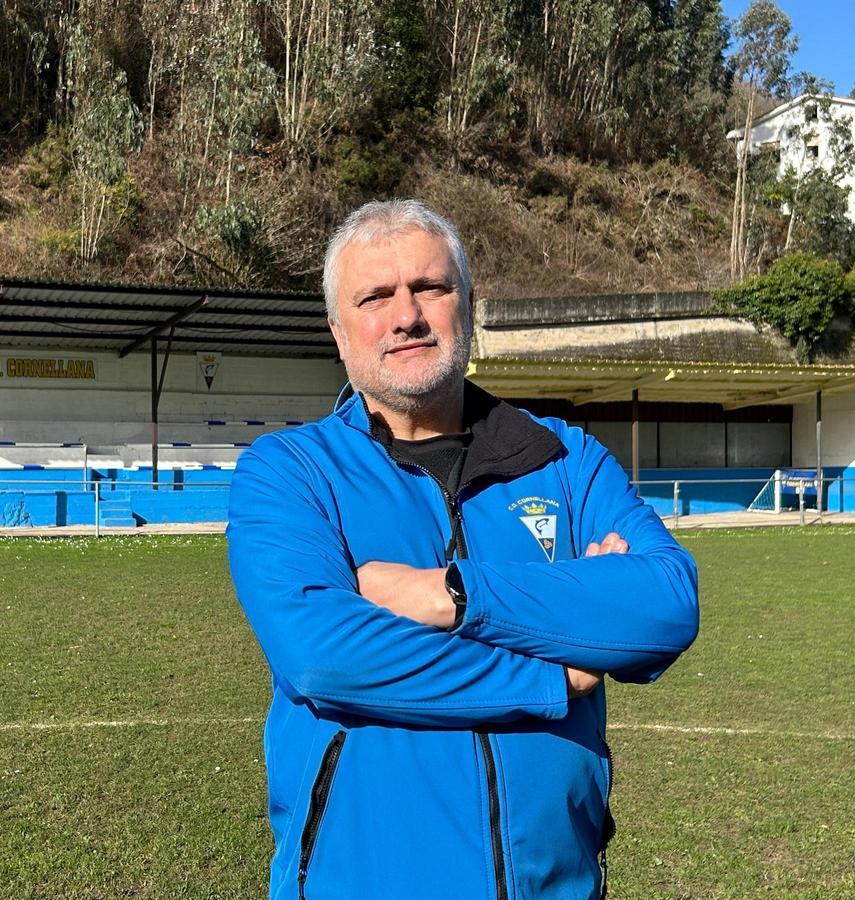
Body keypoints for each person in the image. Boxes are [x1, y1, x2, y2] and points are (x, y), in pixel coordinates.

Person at [226, 199, 699, 899]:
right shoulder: (291, 470)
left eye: (431, 288)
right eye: (375, 296)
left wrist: (454, 594)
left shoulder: (565, 458)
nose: (407, 315)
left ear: (468, 304)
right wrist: (551, 673)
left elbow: (663, 608)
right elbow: (325, 657)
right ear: (338, 330)